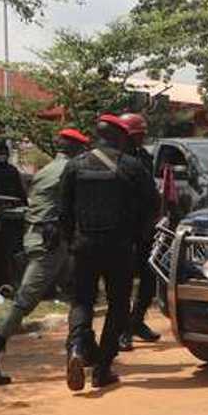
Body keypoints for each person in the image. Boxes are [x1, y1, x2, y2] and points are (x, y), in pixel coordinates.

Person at [0, 128, 90, 385]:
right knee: (24, 301)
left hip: (41, 239)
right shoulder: (70, 170)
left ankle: (84, 350)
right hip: (52, 243)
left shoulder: (47, 169)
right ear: (77, 150)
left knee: (78, 294)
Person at [59, 114, 148, 391]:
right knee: (118, 305)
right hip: (118, 248)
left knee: (81, 302)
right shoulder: (131, 166)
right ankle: (103, 368)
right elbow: (151, 206)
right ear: (120, 137)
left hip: (83, 245)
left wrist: (70, 244)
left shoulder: (74, 166)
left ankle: (76, 348)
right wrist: (137, 238)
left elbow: (64, 211)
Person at [117, 112, 162, 352]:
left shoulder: (144, 157)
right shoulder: (116, 159)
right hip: (124, 228)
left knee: (149, 277)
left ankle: (137, 320)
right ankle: (123, 330)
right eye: (138, 134)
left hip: (146, 226)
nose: (142, 138)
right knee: (124, 280)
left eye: (143, 134)